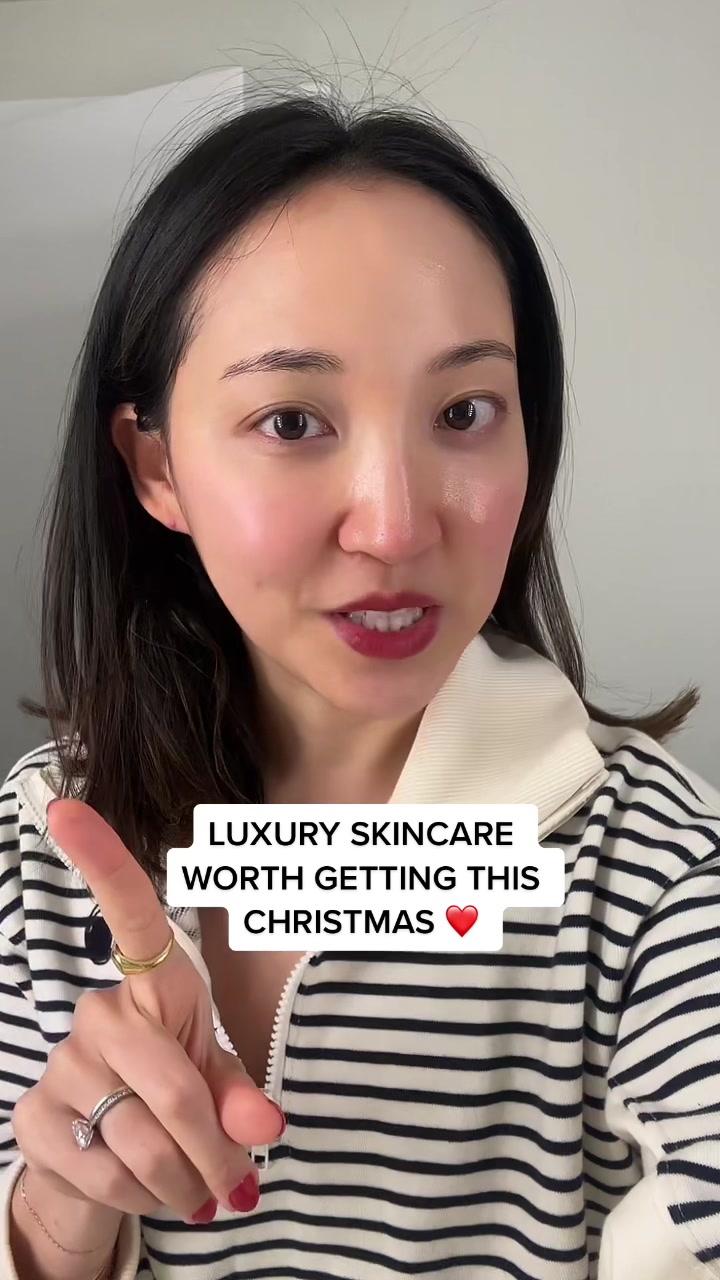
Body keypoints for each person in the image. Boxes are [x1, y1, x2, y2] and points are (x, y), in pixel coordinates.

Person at [0, 88, 718, 1280]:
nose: (394, 524)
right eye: (292, 420)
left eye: (465, 411)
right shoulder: (39, 848)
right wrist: (58, 1212)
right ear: (156, 466)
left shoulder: (653, 871)